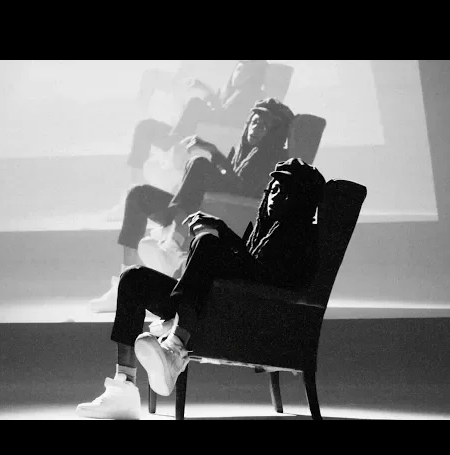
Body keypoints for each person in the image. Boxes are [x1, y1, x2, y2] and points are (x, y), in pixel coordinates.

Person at [75, 157, 327, 419]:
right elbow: (249, 269)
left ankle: (175, 348)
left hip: (249, 320)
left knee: (206, 242)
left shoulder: (304, 238)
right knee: (134, 278)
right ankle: (124, 388)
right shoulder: (266, 229)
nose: (275, 196)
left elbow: (266, 283)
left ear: (303, 200)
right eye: (273, 189)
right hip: (215, 305)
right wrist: (222, 232)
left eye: (286, 192)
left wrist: (220, 234)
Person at [89, 98, 295, 312]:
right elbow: (226, 183)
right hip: (197, 211)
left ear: (276, 132)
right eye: (254, 121)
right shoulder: (242, 150)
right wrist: (215, 157)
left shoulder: (275, 157)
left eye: (264, 125)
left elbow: (243, 192)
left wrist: (214, 153)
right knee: (138, 195)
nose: (256, 127)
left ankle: (173, 243)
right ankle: (123, 281)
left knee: (199, 163)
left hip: (221, 219)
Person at [125, 60, 269, 186]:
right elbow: (216, 107)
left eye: (244, 70)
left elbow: (225, 118)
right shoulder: (229, 91)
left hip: (202, 137)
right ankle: (136, 179)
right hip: (188, 131)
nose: (238, 73)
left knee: (195, 103)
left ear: (253, 74)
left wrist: (205, 93)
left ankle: (171, 140)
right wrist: (204, 89)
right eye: (238, 68)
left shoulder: (253, 95)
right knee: (145, 127)